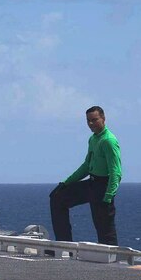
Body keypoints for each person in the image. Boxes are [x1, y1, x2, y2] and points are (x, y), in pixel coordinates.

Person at [49, 105, 121, 245]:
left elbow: (116, 173)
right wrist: (66, 182)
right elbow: (87, 166)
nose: (91, 124)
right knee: (57, 197)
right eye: (88, 121)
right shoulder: (93, 139)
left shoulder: (109, 141)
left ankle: (113, 261)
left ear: (103, 119)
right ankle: (65, 245)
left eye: (94, 120)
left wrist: (108, 197)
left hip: (103, 187)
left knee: (104, 227)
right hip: (92, 183)